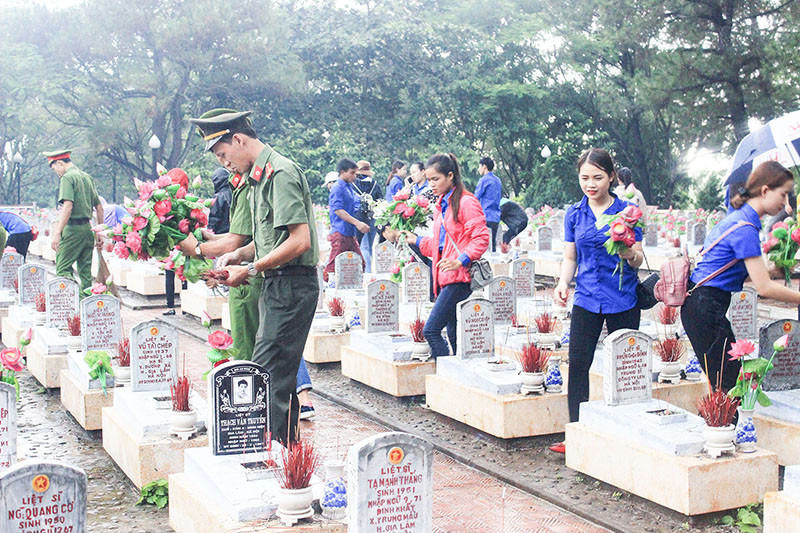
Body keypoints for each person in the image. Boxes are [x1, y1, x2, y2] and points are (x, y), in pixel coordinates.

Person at [190, 108, 320, 443]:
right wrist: (239, 254)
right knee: (278, 378)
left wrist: (249, 268)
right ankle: (286, 456)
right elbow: (270, 241)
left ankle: (269, 459)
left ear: (238, 139)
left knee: (266, 379)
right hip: (278, 284)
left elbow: (299, 240)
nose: (224, 164)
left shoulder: (280, 174)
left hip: (291, 285)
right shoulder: (259, 179)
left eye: (223, 155)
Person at [551, 148, 644, 454]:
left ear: (611, 177)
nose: (591, 184)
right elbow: (570, 256)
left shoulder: (627, 212)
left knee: (623, 367)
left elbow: (638, 258)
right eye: (585, 178)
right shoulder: (574, 214)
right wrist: (564, 283)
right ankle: (576, 433)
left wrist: (629, 252)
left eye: (598, 177)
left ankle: (625, 433)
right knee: (578, 364)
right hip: (587, 297)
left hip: (623, 297)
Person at [682, 161, 800, 394]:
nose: (785, 203)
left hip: (701, 306)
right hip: (706, 309)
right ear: (765, 190)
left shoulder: (738, 219)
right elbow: (764, 288)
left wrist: (776, 270)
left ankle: (720, 427)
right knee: (731, 387)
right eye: (783, 194)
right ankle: (722, 429)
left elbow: (735, 271)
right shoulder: (746, 228)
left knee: (726, 386)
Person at [403, 153, 490, 358]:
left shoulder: (466, 202)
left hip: (459, 277)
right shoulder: (443, 205)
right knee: (453, 333)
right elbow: (439, 245)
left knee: (431, 330)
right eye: (429, 179)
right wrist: (415, 240)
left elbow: (481, 238)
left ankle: (444, 376)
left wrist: (460, 261)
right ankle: (457, 378)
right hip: (445, 276)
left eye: (436, 179)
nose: (431, 184)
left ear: (450, 176)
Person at [44, 150, 103, 294]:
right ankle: (86, 306)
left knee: (63, 268)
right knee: (85, 273)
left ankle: (70, 304)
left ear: (59, 163)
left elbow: (68, 207)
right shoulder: (87, 177)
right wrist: (99, 232)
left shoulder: (67, 178)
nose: (56, 172)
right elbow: (100, 208)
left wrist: (57, 233)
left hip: (72, 230)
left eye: (55, 169)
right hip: (88, 230)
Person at [323, 158, 368, 282]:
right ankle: (328, 292)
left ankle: (351, 289)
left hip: (349, 232)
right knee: (332, 267)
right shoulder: (338, 188)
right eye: (352, 173)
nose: (355, 176)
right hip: (340, 232)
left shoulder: (349, 187)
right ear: (343, 172)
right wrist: (357, 223)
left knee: (359, 264)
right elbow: (338, 210)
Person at [163, 168, 190, 314]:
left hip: (171, 240)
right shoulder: (187, 201)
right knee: (184, 273)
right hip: (185, 240)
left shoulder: (165, 202)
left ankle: (170, 306)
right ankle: (186, 307)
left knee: (170, 272)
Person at [353, 160, 382, 273]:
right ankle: (369, 272)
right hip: (373, 217)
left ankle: (367, 273)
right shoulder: (375, 184)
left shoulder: (354, 184)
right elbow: (380, 200)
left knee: (363, 247)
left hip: (359, 218)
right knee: (369, 248)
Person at [475, 156, 502, 252]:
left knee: (484, 246)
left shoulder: (484, 180)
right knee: (493, 245)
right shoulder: (498, 180)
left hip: (485, 216)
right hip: (496, 216)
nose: (479, 169)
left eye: (480, 166)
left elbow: (475, 198)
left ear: (484, 166)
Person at [208, 168, 232, 235]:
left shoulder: (219, 197)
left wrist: (209, 230)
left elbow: (214, 216)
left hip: (220, 234)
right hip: (236, 234)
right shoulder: (236, 192)